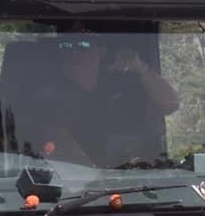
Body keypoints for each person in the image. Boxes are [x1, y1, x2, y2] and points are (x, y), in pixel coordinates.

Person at [27, 33, 179, 166]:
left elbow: (170, 105)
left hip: (139, 175)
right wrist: (95, 178)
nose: (75, 52)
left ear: (101, 52)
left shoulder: (124, 84)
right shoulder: (49, 95)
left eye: (83, 45)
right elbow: (58, 138)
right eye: (66, 46)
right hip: (77, 183)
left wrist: (141, 68)